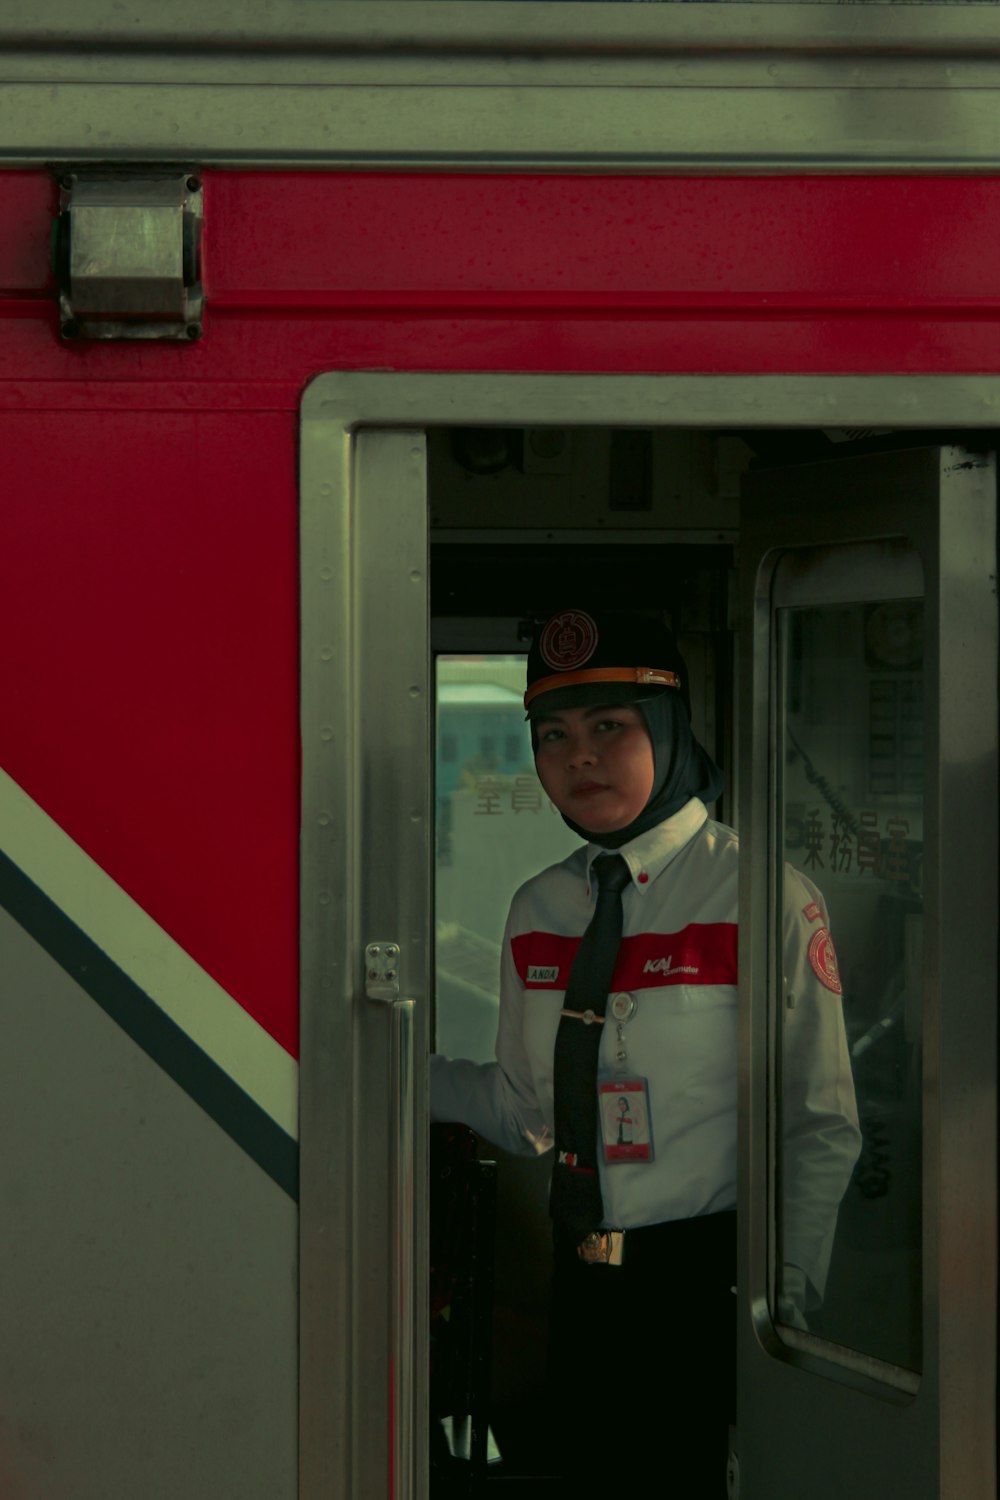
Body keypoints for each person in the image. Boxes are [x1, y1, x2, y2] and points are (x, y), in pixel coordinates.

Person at [430, 606, 861, 1497]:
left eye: (608, 727)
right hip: (580, 1291)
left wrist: (779, 1310)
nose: (577, 755)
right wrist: (360, 1075)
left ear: (667, 728)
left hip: (711, 1296)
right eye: (552, 734)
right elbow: (523, 1113)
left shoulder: (759, 893)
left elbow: (819, 1125)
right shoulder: (539, 909)